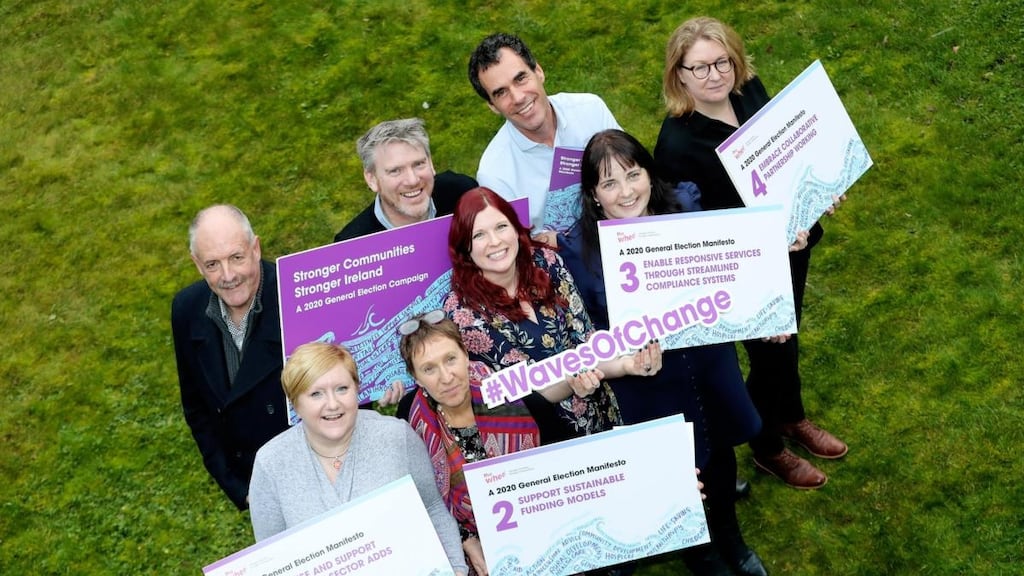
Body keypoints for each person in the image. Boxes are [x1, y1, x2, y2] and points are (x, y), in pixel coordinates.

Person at [559, 129, 766, 576]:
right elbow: (588, 326)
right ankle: (701, 551)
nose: (626, 191)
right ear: (593, 196)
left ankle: (730, 534)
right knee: (678, 467)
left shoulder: (687, 205)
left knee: (720, 447)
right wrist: (622, 354)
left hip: (707, 355)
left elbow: (730, 262)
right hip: (647, 376)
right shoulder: (577, 249)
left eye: (633, 175)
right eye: (609, 184)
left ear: (650, 174)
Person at [653, 17, 847, 490]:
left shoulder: (749, 90)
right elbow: (695, 232)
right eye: (698, 68)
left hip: (792, 244)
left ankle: (792, 417)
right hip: (741, 270)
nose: (714, 75)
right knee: (766, 357)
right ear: (678, 75)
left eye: (721, 61)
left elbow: (786, 157)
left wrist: (818, 191)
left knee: (789, 340)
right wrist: (768, 246)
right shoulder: (676, 144)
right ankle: (768, 448)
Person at [443, 186, 662, 440]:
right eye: (479, 235)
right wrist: (572, 380)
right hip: (539, 439)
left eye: (501, 227)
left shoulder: (547, 262)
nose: (495, 241)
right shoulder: (462, 312)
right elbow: (524, 394)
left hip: (599, 417)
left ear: (516, 228)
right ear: (465, 246)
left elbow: (587, 343)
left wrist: (628, 364)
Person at [247, 342, 469, 575]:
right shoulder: (271, 463)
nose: (333, 404)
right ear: (295, 404)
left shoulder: (396, 436)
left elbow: (432, 507)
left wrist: (455, 568)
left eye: (342, 389)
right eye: (316, 394)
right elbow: (270, 555)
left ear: (357, 389)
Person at [396, 311, 553, 575]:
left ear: (466, 355)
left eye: (450, 359)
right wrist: (465, 541)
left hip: (540, 527)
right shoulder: (410, 419)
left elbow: (562, 466)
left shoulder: (515, 395)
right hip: (463, 552)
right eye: (428, 368)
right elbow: (418, 499)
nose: (446, 377)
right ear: (416, 376)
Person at [171, 204, 289, 510]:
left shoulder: (296, 295)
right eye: (212, 264)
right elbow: (197, 408)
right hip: (256, 486)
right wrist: (239, 488)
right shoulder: (186, 309)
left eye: (236, 258)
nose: (228, 276)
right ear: (197, 265)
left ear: (255, 248)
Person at [468, 32, 621, 241]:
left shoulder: (591, 110)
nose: (518, 97)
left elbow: (634, 172)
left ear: (538, 71)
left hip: (621, 231)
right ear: (492, 106)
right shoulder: (494, 173)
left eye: (521, 79)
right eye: (501, 92)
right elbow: (515, 249)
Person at [334, 117, 478, 242]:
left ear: (431, 164)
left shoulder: (465, 193)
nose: (412, 180)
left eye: (419, 164)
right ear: (371, 179)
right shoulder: (353, 245)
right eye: (395, 171)